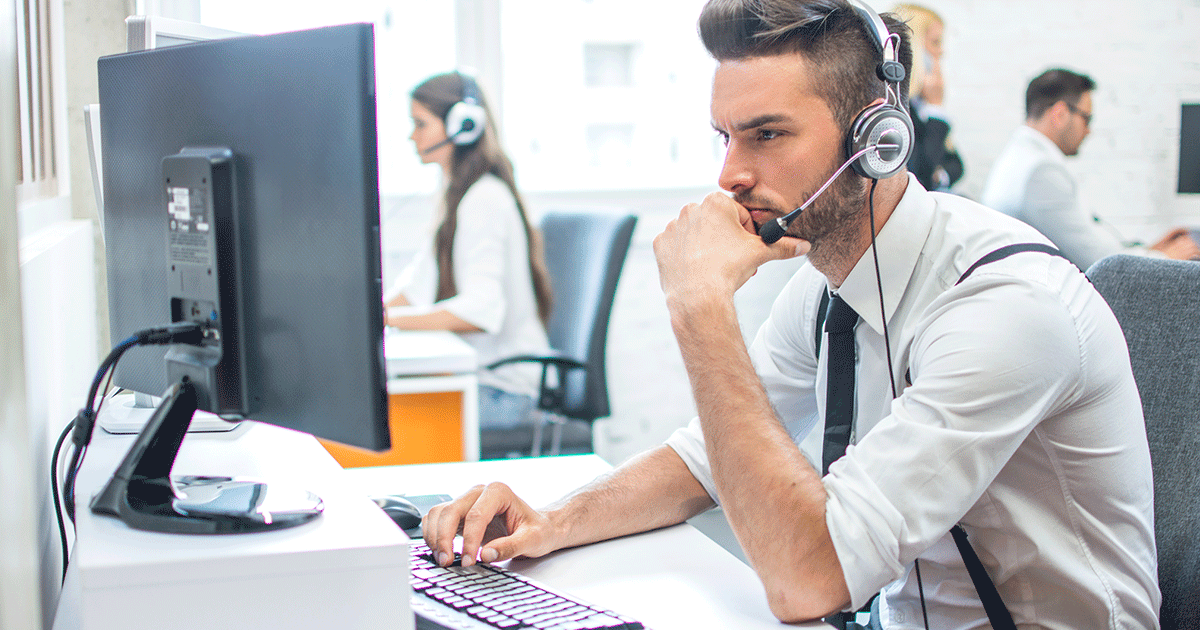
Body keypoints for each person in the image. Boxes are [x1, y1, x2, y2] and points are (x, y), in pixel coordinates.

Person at [423, 2, 1160, 628]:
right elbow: (699, 463)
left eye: (767, 135)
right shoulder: (826, 282)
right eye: (726, 136)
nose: (730, 175)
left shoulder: (1004, 309)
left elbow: (809, 582)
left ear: (878, 142)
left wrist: (699, 306)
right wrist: (553, 520)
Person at [385, 72, 553, 435]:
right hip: (481, 380)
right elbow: (415, 289)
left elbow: (481, 311)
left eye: (420, 124)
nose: (412, 136)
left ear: (463, 126)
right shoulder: (456, 198)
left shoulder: (484, 199)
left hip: (506, 391)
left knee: (392, 424)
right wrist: (372, 314)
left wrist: (388, 322)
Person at [983, 68, 1200, 270]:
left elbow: (1090, 246)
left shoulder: (1019, 158)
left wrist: (1149, 250)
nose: (1089, 131)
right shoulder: (1039, 172)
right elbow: (1102, 265)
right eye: (1087, 118)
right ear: (1059, 114)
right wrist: (1166, 259)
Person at [893, 3, 963, 191]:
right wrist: (936, 109)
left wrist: (938, 175)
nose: (941, 51)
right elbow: (921, 177)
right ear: (913, 48)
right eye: (935, 42)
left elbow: (957, 165)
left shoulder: (920, 105)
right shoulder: (894, 107)